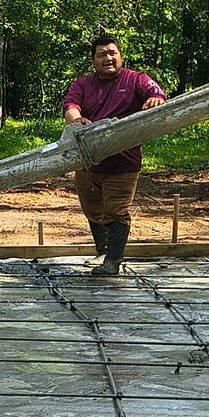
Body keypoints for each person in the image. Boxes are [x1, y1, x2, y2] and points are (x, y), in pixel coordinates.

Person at [62, 37, 167, 276]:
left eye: (112, 53)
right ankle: (102, 251)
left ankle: (112, 262)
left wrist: (155, 100)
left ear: (120, 56)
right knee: (92, 210)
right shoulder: (83, 84)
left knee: (116, 211)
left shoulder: (136, 79)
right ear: (93, 61)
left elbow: (157, 93)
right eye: (101, 55)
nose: (108, 58)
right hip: (87, 161)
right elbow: (71, 106)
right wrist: (77, 120)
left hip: (123, 162)